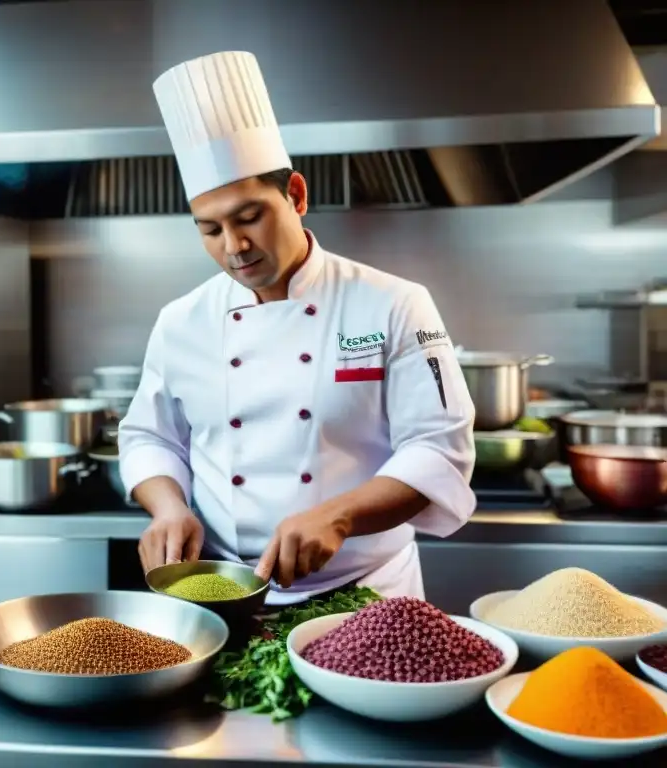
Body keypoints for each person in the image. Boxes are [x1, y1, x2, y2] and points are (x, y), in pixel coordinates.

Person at [116, 51, 476, 605]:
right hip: (225, 593)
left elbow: (437, 448)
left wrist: (340, 515)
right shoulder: (180, 321)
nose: (233, 247)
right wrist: (169, 507)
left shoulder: (394, 304)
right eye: (210, 229)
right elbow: (150, 436)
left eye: (249, 217)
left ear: (297, 196)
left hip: (367, 598)